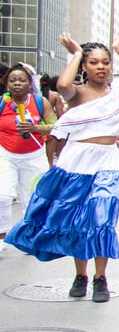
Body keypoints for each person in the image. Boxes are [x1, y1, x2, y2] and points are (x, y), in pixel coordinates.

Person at [6, 34, 119, 301]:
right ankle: (81, 275)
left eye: (105, 62)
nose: (101, 67)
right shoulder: (77, 93)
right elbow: (62, 84)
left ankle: (100, 278)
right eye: (94, 62)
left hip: (107, 159)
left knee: (102, 217)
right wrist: (75, 54)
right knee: (78, 220)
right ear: (84, 67)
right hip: (76, 160)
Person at [0, 65, 56, 253]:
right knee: (2, 196)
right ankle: (1, 236)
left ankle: (29, 237)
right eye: (12, 80)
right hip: (5, 156)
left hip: (34, 157)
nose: (17, 84)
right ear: (6, 84)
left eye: (22, 80)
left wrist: (35, 129)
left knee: (31, 199)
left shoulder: (41, 102)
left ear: (29, 83)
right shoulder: (2, 103)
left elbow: (55, 126)